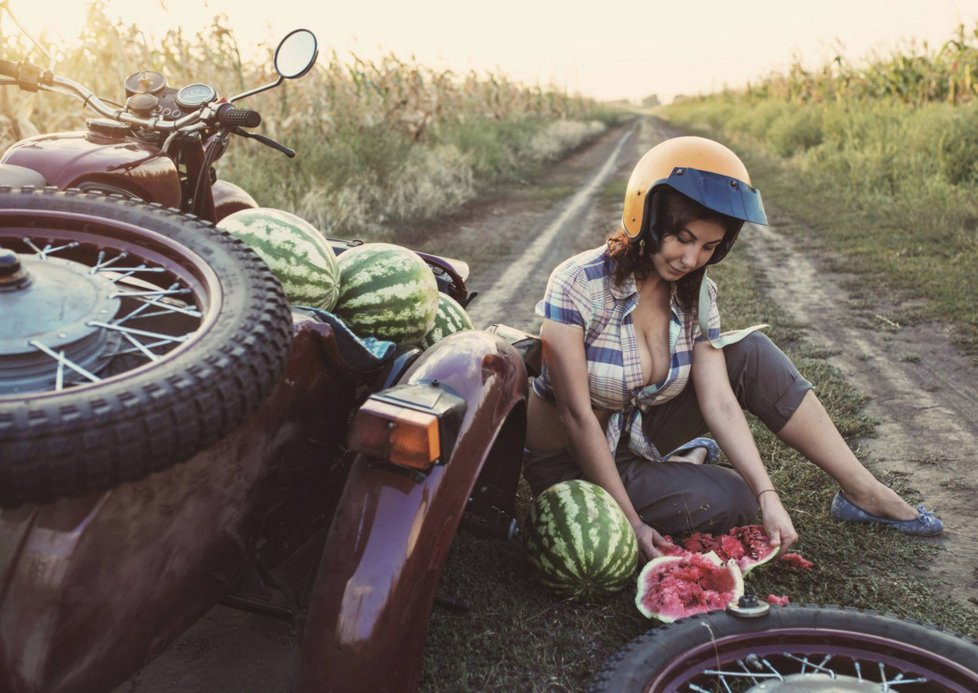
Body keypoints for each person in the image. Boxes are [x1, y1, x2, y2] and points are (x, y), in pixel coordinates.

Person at [523, 135, 943, 562]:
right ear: (647, 217)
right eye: (682, 238)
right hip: (570, 458)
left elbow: (720, 401)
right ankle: (679, 463)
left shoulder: (696, 295)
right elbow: (574, 414)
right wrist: (631, 523)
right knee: (732, 500)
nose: (690, 259)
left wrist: (769, 494)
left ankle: (863, 491)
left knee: (750, 354)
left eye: (708, 247)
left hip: (634, 432)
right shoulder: (578, 283)